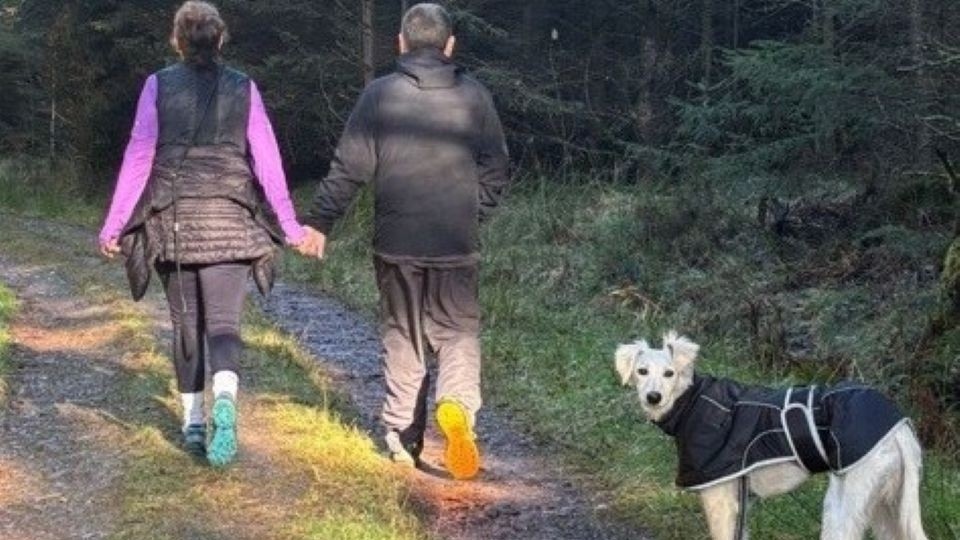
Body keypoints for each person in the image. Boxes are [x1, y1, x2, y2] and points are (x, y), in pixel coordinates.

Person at [98, 1, 319, 466]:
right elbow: (267, 160)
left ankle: (194, 423)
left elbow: (139, 156)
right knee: (224, 324)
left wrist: (115, 223)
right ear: (220, 40)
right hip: (231, 218)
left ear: (177, 40)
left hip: (173, 221)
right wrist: (290, 224)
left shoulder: (157, 86)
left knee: (185, 324)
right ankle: (225, 397)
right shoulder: (245, 88)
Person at [298, 3, 510, 480]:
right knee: (457, 333)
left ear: (400, 43)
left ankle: (400, 434)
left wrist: (320, 223)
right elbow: (497, 169)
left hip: (396, 240)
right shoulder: (475, 97)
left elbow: (349, 167)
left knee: (404, 334)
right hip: (456, 241)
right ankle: (456, 407)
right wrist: (474, 213)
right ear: (450, 44)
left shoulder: (378, 96)